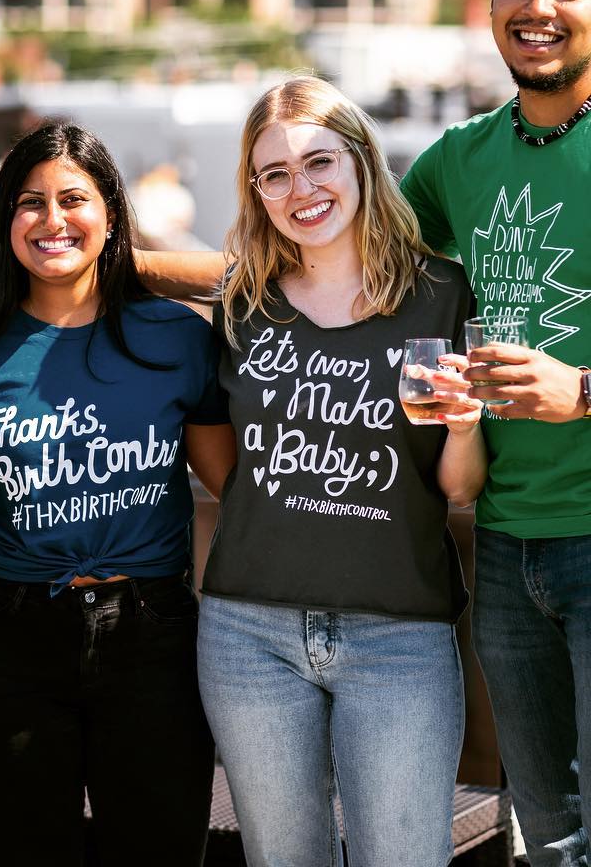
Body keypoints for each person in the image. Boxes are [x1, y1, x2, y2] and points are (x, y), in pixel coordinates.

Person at [0, 121, 236, 866]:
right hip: (8, 639)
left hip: (153, 638)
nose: (53, 220)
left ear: (111, 215)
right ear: (6, 221)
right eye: (30, 203)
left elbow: (232, 486)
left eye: (75, 199)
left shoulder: (176, 338)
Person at [198, 77, 485, 866]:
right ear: (256, 193)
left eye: (319, 162)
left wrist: (464, 426)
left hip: (399, 632)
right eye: (276, 174)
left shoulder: (441, 296)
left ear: (360, 161)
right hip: (249, 632)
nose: (303, 189)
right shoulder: (243, 304)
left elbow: (458, 487)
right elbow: (224, 462)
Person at [400, 0, 591, 866]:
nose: (538, 6)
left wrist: (583, 390)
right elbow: (342, 275)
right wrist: (119, 267)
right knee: (550, 840)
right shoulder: (458, 162)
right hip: (510, 550)